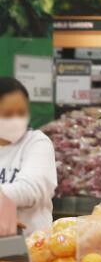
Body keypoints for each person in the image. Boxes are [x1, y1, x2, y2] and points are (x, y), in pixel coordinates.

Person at [0, 77, 57, 235]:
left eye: (22, 112)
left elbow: (30, 189)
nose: (17, 120)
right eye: (8, 114)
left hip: (32, 251)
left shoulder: (37, 142)